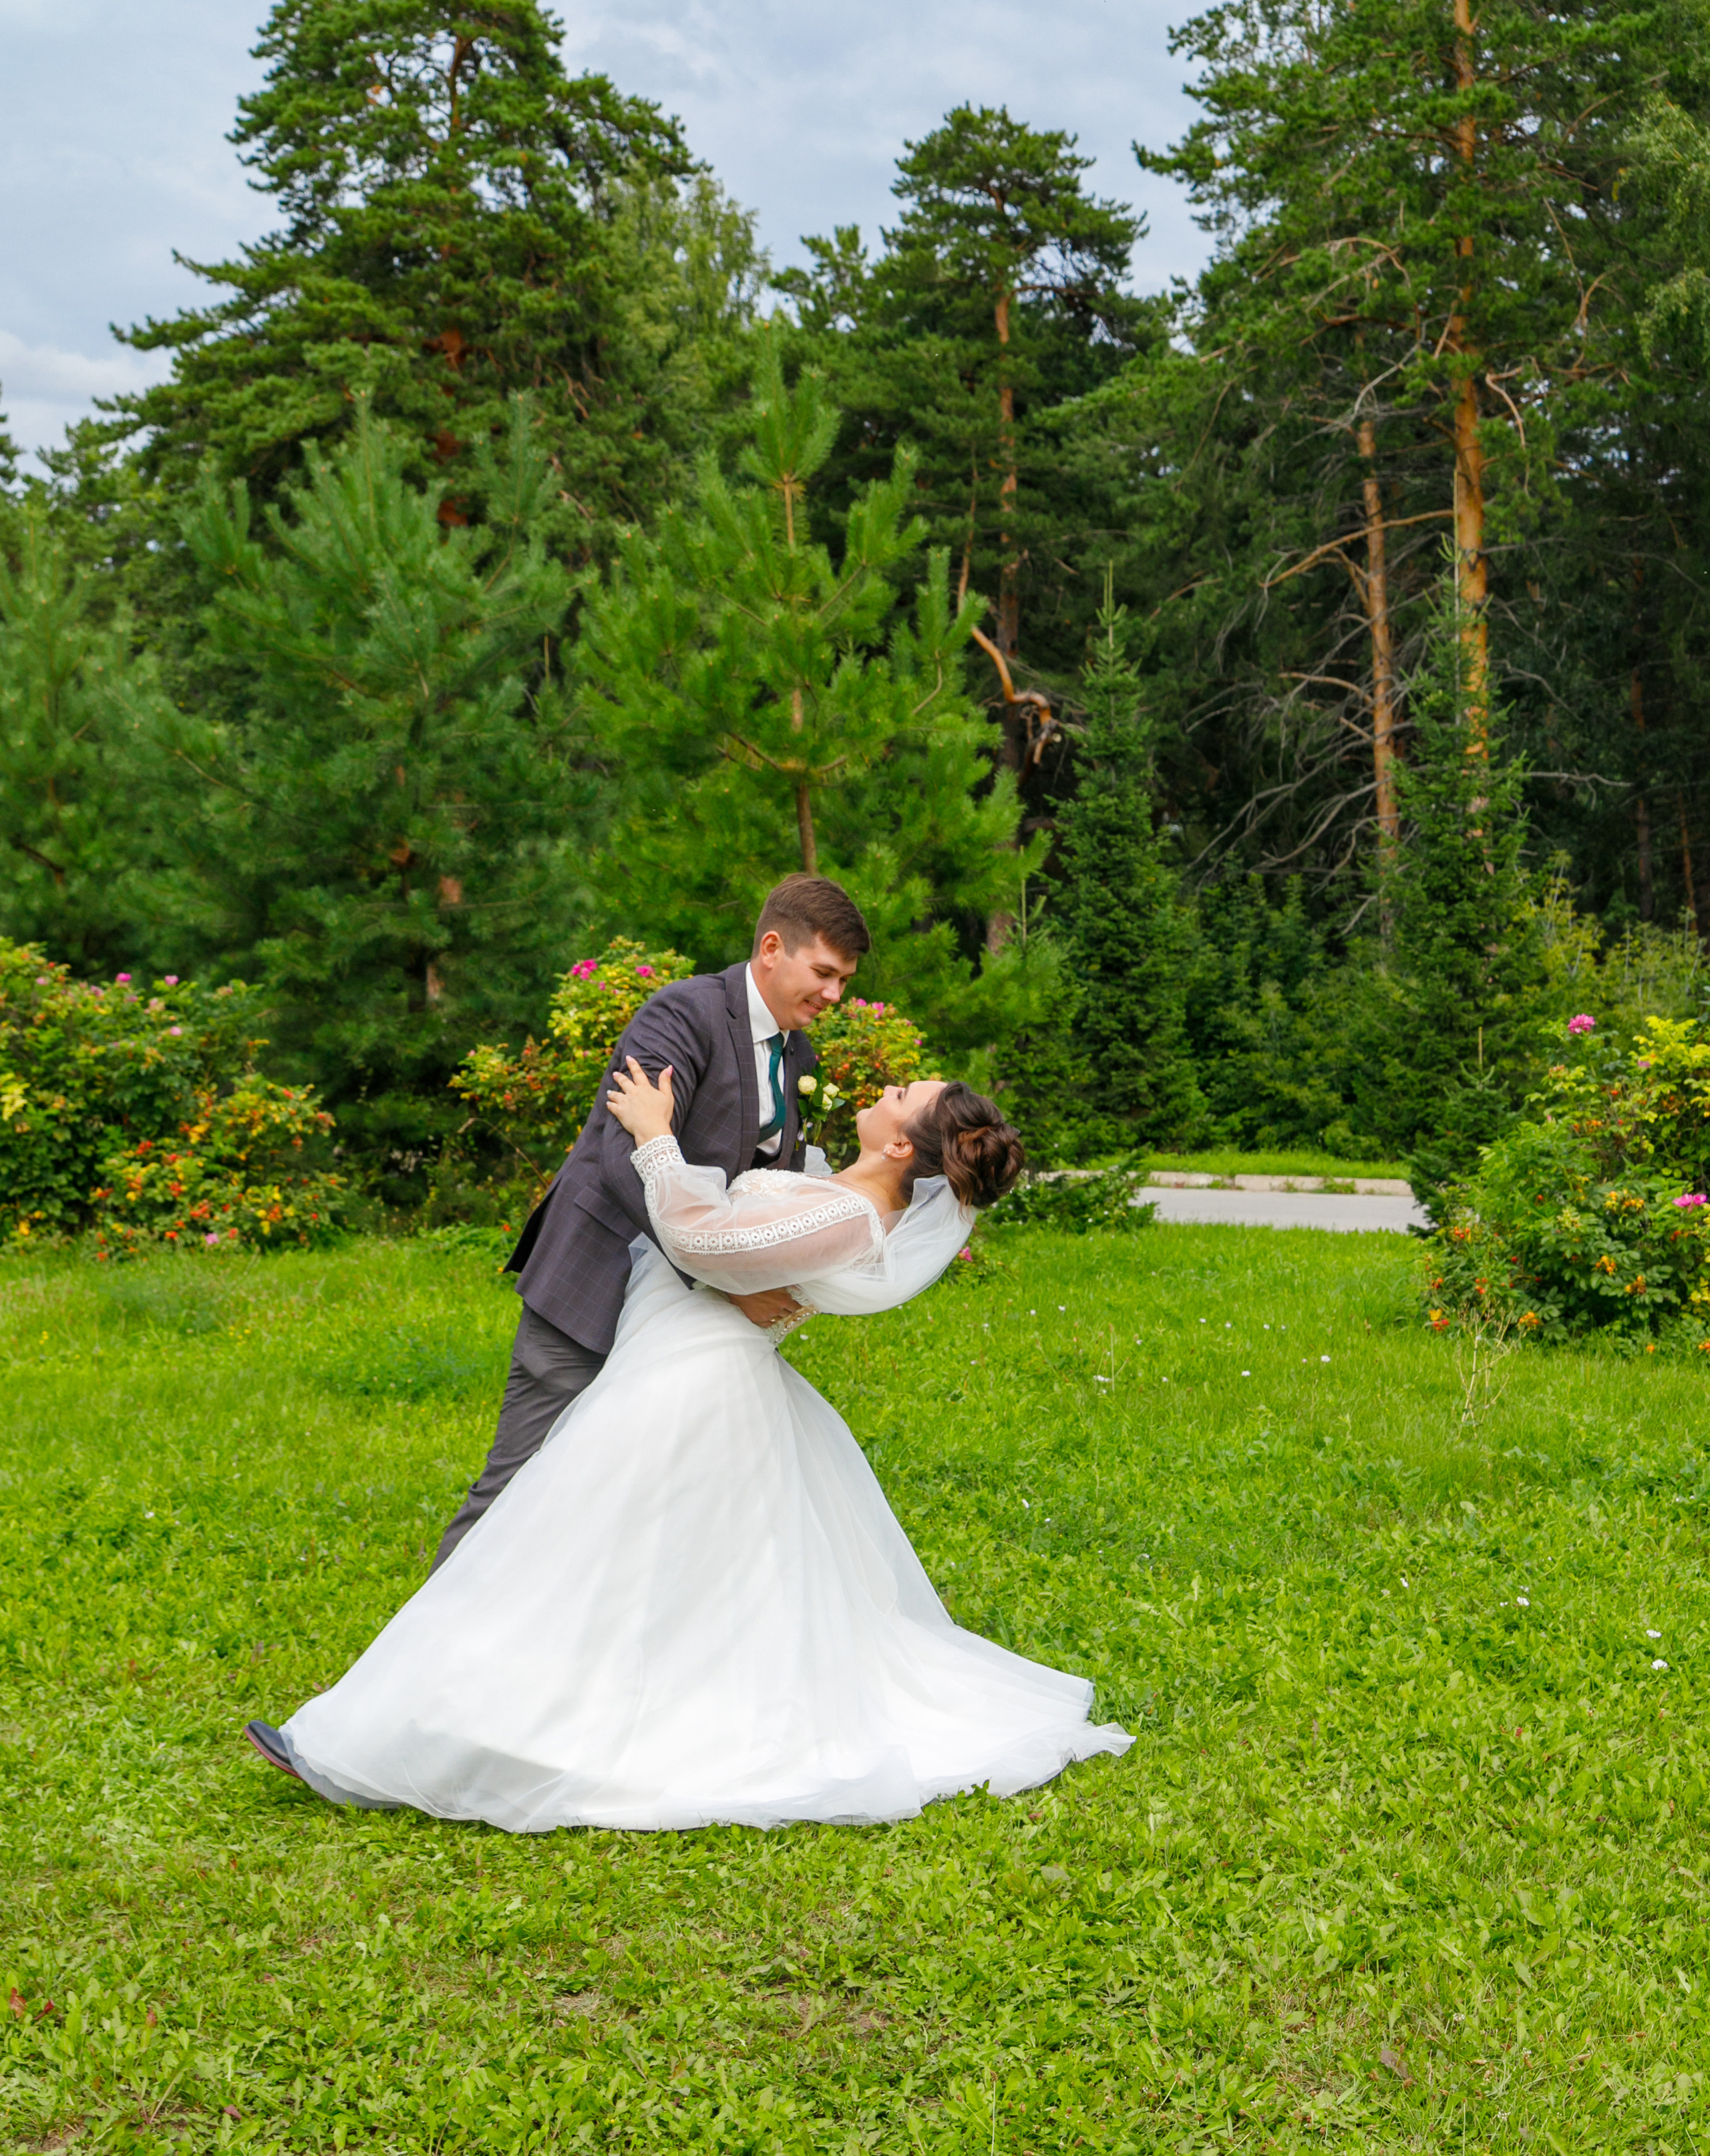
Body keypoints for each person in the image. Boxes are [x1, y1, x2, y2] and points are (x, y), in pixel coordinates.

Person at [243, 1064, 1132, 1831]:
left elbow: (703, 1239)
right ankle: (432, 1721)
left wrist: (656, 1135)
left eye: (904, 1094)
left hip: (691, 1383)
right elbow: (734, 1249)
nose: (886, 1088)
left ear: (905, 1145)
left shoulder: (853, 1216)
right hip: (680, 1359)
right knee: (604, 1563)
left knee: (567, 1553)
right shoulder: (841, 1189)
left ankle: (402, 1738)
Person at [430, 873, 869, 1571]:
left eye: (843, 979)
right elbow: (618, 1156)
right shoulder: (684, 1015)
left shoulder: (798, 1056)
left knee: (626, 1492)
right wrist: (722, 1280)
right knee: (520, 1475)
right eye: (823, 972)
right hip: (596, 1282)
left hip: (677, 1321)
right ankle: (427, 1645)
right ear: (771, 947)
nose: (834, 995)